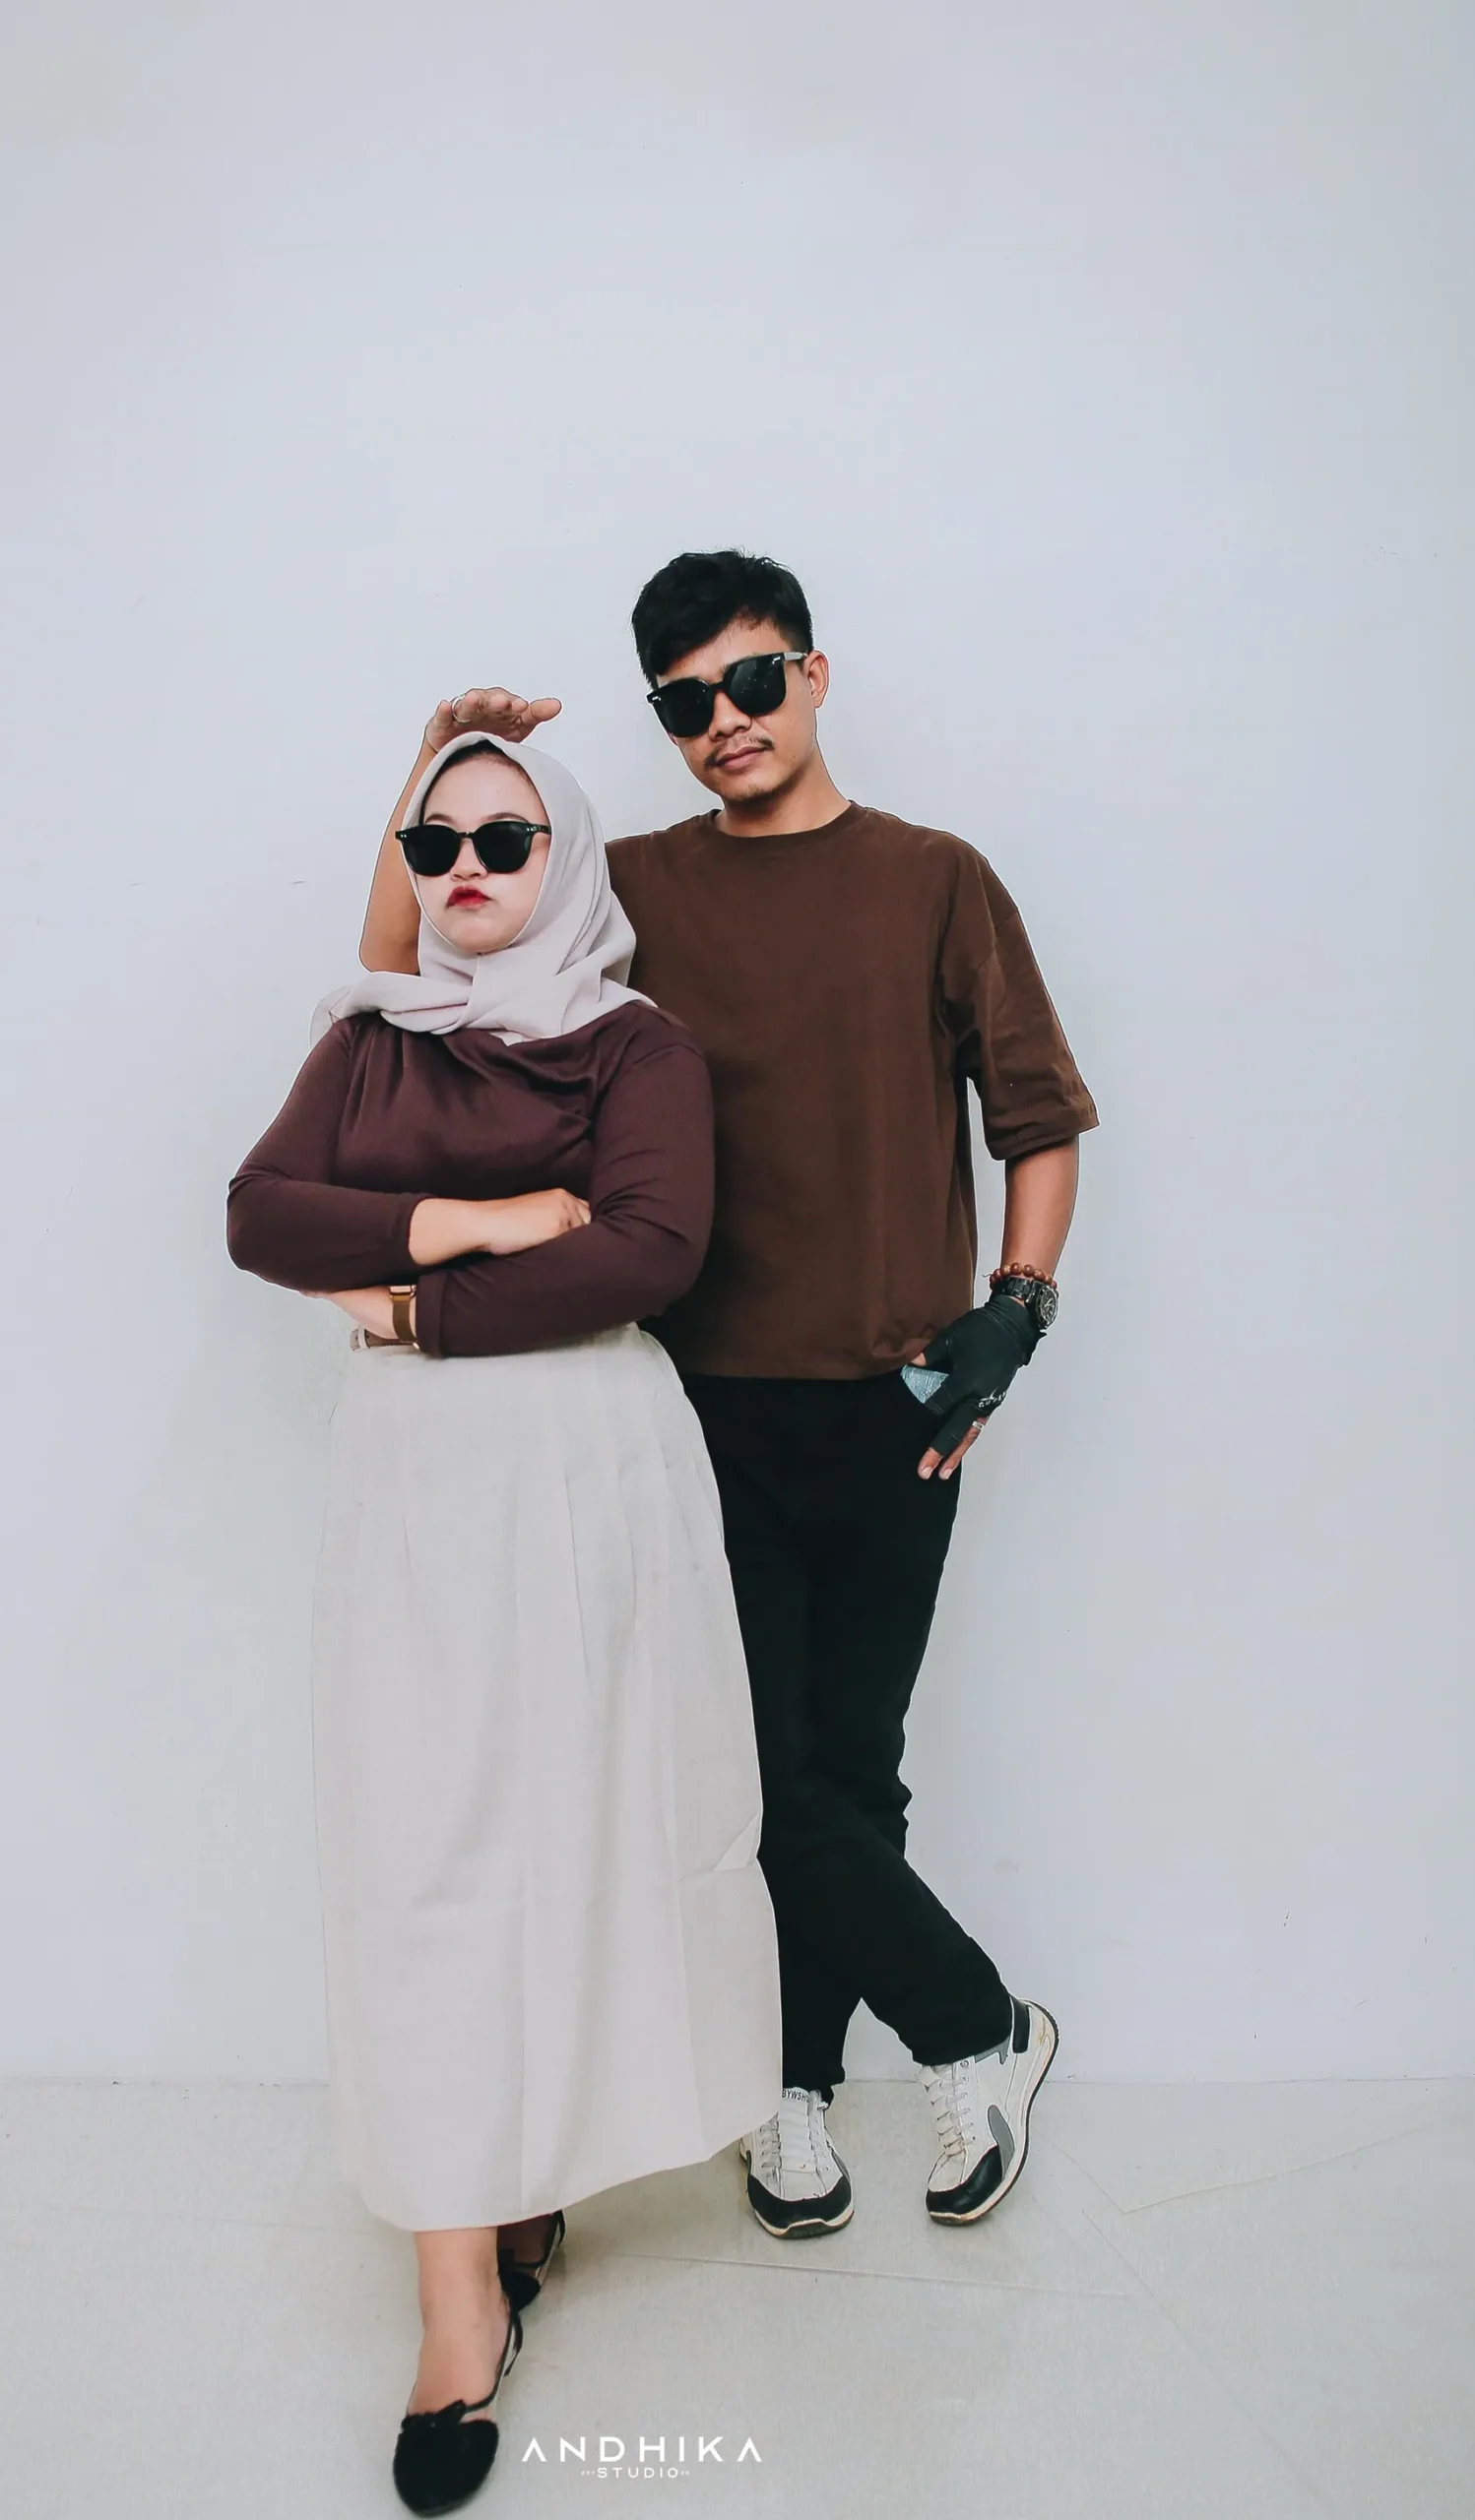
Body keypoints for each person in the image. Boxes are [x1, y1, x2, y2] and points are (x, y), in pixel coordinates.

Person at [357, 550, 1099, 2245]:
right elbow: (408, 961)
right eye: (685, 702)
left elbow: (1036, 1119)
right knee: (759, 1787)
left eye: (751, 682)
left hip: (903, 1401)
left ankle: (803, 2087)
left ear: (813, 677)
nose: (724, 722)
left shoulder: (934, 878)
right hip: (693, 1409)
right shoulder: (632, 890)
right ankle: (971, 2029)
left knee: (853, 1771)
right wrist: (427, 769)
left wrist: (1017, 1308)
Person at [227, 727, 781, 2514]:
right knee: (425, 1851)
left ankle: (529, 2170)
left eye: (503, 835)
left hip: (590, 1471)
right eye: (433, 839)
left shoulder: (637, 1045)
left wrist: (409, 1303)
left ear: (566, 855)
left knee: (578, 1832)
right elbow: (260, 1215)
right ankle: (455, 2295)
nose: (465, 864)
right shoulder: (370, 1035)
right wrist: (482, 1217)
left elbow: (647, 1248)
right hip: (417, 1489)